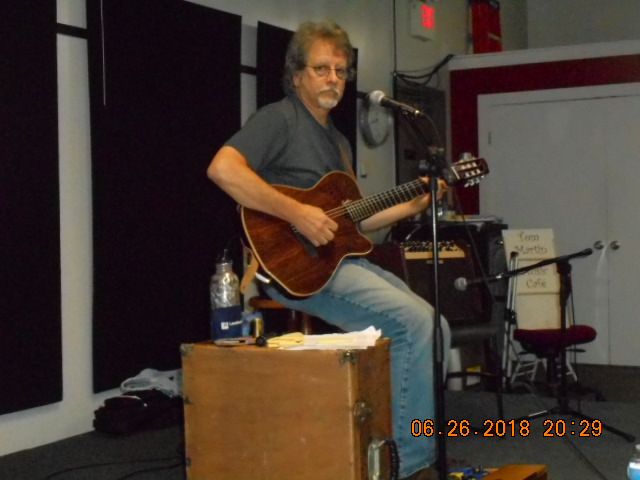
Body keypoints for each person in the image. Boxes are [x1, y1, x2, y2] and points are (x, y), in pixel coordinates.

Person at [207, 20, 450, 480]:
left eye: (340, 71)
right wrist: (296, 213)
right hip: (294, 268)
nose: (333, 79)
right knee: (414, 322)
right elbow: (223, 169)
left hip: (337, 261)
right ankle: (409, 464)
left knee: (435, 326)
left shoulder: (338, 142)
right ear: (297, 74)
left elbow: (355, 221)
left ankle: (390, 442)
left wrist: (414, 203)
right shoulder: (279, 118)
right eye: (322, 69)